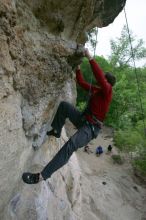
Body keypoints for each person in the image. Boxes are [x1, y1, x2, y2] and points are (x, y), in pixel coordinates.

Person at [22, 48, 116, 184]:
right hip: (84, 120)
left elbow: (100, 78)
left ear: (108, 83)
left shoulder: (108, 91)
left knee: (70, 145)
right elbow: (82, 83)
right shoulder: (98, 90)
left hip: (91, 129)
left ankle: (41, 176)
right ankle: (56, 130)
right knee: (64, 106)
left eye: (104, 81)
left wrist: (90, 58)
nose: (100, 82)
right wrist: (78, 69)